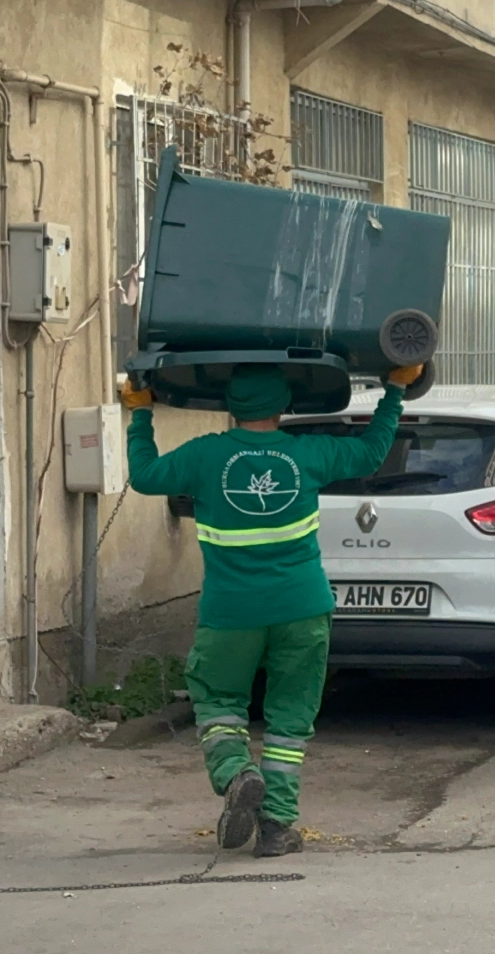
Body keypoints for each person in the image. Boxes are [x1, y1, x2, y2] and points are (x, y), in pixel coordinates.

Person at [123, 362, 421, 855]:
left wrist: (141, 413)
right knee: (288, 720)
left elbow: (145, 475)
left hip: (230, 612)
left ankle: (237, 771)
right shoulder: (307, 454)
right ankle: (277, 827)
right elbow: (371, 451)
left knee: (219, 701)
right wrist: (394, 388)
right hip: (302, 607)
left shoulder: (204, 455)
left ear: (229, 406)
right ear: (283, 406)